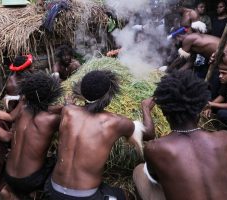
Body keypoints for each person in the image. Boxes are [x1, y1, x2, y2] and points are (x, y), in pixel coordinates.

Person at [43, 70, 155, 200]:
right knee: (127, 196)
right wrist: (146, 107)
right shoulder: (116, 122)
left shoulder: (67, 111)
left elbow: (68, 109)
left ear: (82, 93)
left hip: (52, 189)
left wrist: (68, 104)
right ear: (109, 97)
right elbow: (149, 133)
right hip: (85, 197)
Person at [133, 70, 227, 200]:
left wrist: (146, 109)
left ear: (164, 112)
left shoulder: (155, 148)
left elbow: (158, 179)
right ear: (200, 107)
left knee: (139, 171)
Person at [0, 71, 63, 199]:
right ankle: (32, 193)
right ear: (51, 96)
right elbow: (64, 112)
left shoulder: (22, 110)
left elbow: (44, 108)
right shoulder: (52, 120)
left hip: (8, 175)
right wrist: (67, 105)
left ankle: (13, 193)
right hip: (30, 180)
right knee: (59, 160)